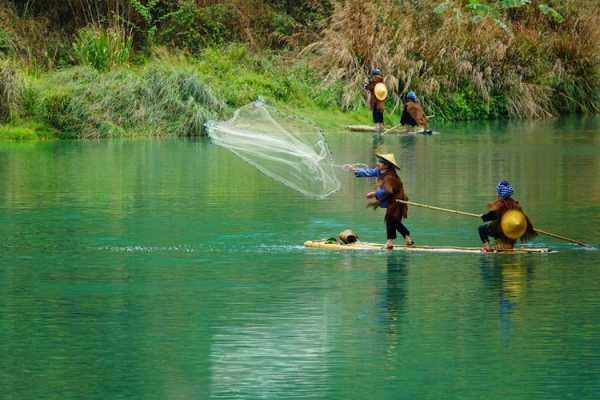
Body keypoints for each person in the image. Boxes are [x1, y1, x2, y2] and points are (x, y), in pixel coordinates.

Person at [348, 153, 414, 249]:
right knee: (393, 220)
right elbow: (369, 172)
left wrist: (374, 194)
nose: (378, 163)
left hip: (398, 200)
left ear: (386, 165)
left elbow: (388, 191)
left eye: (380, 162)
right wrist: (353, 169)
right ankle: (406, 239)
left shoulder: (389, 177)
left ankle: (391, 242)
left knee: (391, 220)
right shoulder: (382, 171)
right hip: (393, 200)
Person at [479, 180, 537, 252]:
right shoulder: (515, 204)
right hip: (512, 232)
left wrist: (483, 216)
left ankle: (487, 248)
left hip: (503, 230)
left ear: (499, 193)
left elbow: (493, 215)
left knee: (481, 229)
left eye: (497, 193)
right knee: (495, 226)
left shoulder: (500, 204)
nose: (497, 195)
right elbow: (523, 218)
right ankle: (501, 246)